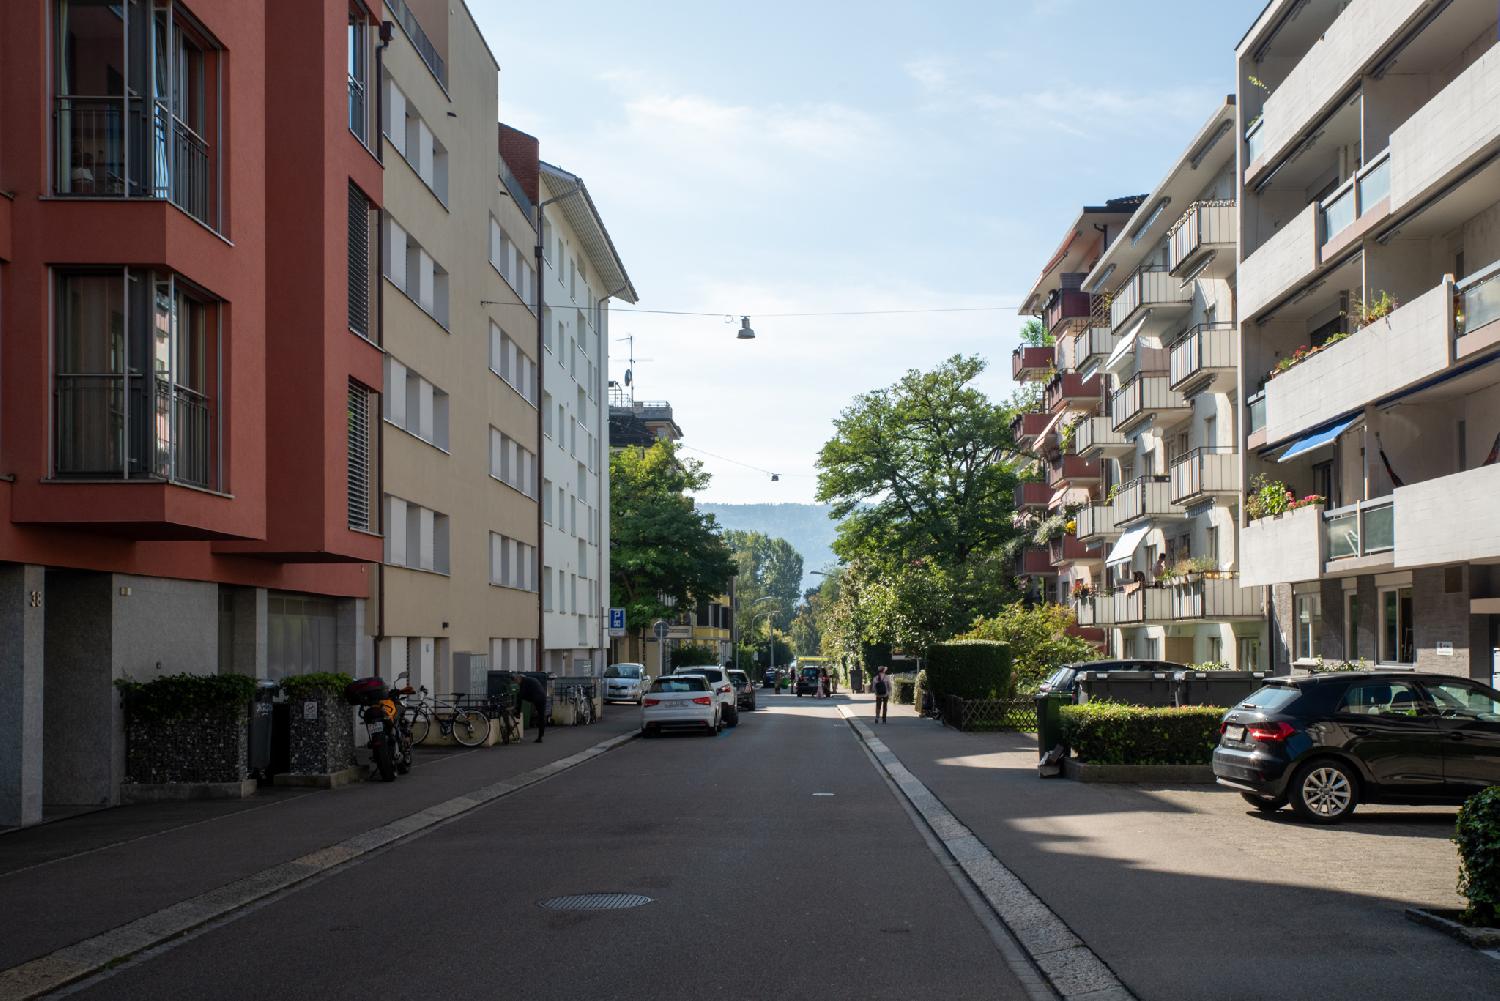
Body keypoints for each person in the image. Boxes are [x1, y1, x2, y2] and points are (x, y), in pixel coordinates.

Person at [516, 673, 547, 743]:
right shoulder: (530, 680)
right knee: (541, 717)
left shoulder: (524, 682)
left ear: (519, 678)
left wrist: (518, 710)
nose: (517, 683)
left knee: (519, 697)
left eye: (516, 681)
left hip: (537, 698)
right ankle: (540, 736)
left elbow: (521, 695)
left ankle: (517, 713)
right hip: (543, 697)